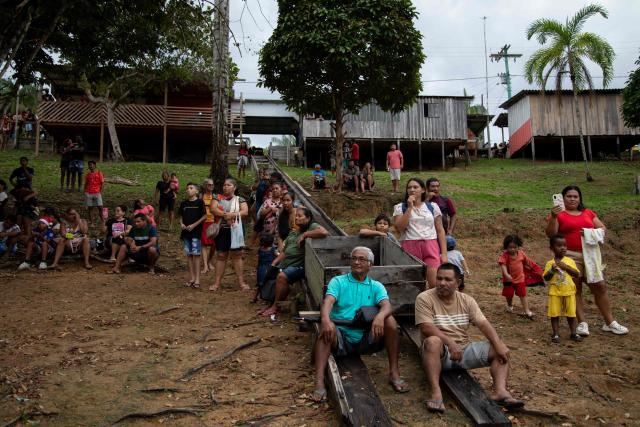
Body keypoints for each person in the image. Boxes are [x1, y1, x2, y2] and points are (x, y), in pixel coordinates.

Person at [416, 263, 523, 413]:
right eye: (439, 278)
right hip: (439, 354)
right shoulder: (424, 298)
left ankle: (500, 391)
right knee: (432, 341)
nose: (442, 283)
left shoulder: (467, 300)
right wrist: (450, 342)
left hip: (463, 350)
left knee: (499, 348)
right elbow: (426, 327)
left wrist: (497, 343)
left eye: (447, 279)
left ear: (458, 282)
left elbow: (483, 324)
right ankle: (436, 393)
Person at [312, 246, 409, 402]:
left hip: (366, 337)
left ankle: (394, 372)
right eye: (354, 258)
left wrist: (380, 317)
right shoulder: (338, 281)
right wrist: (325, 319)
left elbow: (387, 306)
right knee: (326, 328)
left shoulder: (376, 286)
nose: (356, 262)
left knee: (390, 320)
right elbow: (328, 302)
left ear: (370, 264)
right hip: (341, 336)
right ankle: (319, 381)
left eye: (362, 259)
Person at [545, 185, 628, 336]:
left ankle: (610, 322)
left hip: (590, 254)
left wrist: (590, 233)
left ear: (580, 198)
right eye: (569, 196)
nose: (572, 199)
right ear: (563, 198)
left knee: (600, 287)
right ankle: (582, 323)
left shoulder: (588, 213)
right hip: (569, 255)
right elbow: (551, 234)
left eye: (575, 196)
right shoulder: (558, 214)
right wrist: (554, 216)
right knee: (575, 288)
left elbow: (603, 229)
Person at [259, 207, 329, 317]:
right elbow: (285, 251)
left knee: (282, 276)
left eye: (300, 216)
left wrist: (305, 235)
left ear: (308, 218)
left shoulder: (311, 227)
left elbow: (324, 232)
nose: (296, 218)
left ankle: (275, 307)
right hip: (287, 263)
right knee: (271, 274)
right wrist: (274, 263)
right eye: (296, 216)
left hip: (300, 266)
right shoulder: (294, 232)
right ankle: (271, 303)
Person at [393, 178, 447, 289]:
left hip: (430, 245)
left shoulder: (432, 207)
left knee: (434, 283)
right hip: (409, 245)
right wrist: (409, 208)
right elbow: (399, 228)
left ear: (423, 190)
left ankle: (432, 305)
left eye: (415, 187)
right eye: (409, 187)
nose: (412, 190)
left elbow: (440, 230)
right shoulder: (400, 207)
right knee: (412, 284)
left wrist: (444, 254)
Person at [210, 179, 249, 291]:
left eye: (229, 185)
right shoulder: (217, 198)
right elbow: (213, 209)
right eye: (224, 185)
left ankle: (241, 283)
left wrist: (232, 215)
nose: (225, 187)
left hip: (236, 230)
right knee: (221, 255)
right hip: (222, 230)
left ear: (234, 187)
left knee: (237, 255)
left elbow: (245, 211)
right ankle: (217, 283)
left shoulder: (240, 199)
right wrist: (226, 215)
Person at [543, 234, 582, 343]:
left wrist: (566, 267)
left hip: (569, 291)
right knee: (554, 314)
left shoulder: (569, 261)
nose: (563, 248)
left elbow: (577, 274)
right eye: (559, 245)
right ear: (552, 248)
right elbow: (546, 277)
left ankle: (574, 333)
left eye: (565, 245)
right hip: (555, 292)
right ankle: (555, 334)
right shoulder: (550, 263)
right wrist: (552, 270)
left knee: (571, 313)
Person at [498, 235, 534, 319]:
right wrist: (506, 275)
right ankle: (509, 305)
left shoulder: (521, 254)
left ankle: (527, 310)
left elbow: (526, 262)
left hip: (520, 279)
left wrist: (530, 267)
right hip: (508, 280)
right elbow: (502, 265)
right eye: (510, 247)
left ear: (518, 246)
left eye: (515, 247)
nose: (512, 249)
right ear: (506, 247)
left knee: (523, 294)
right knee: (509, 294)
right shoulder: (504, 256)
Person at [179, 183, 207, 288]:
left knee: (196, 255)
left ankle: (197, 280)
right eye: (187, 188)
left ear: (196, 191)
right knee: (189, 255)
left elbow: (204, 216)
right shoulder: (183, 203)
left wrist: (194, 225)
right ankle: (191, 278)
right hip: (186, 233)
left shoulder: (200, 202)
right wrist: (181, 224)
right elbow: (181, 216)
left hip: (196, 233)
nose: (188, 190)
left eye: (191, 188)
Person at [253, 233, 276, 303]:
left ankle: (255, 297)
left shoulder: (260, 249)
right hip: (269, 268)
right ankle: (267, 298)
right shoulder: (272, 249)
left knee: (260, 283)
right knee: (268, 283)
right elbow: (277, 256)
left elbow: (259, 259)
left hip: (261, 268)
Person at [200, 178, 217, 274]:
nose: (211, 186)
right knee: (204, 244)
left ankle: (209, 261)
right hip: (204, 222)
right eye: (209, 185)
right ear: (205, 186)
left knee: (214, 244)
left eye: (212, 185)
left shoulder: (216, 196)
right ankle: (205, 266)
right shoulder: (201, 196)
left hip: (213, 222)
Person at [84, 160, 105, 228]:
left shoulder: (99, 173)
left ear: (95, 165)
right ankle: (92, 223)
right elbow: (86, 183)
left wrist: (100, 191)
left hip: (97, 193)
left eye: (92, 164)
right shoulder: (88, 175)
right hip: (89, 193)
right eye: (89, 165)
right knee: (90, 208)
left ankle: (103, 222)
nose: (90, 166)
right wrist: (85, 191)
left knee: (100, 207)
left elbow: (102, 183)